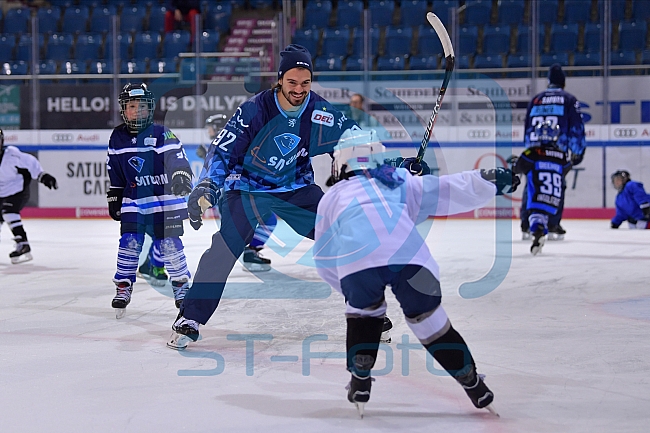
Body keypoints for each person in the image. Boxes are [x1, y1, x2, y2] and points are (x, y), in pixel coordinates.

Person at [167, 44, 412, 349]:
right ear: (280, 79)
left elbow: (359, 142)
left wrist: (398, 166)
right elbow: (222, 151)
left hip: (295, 188)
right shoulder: (254, 110)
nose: (299, 90)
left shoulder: (320, 111)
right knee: (225, 247)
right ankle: (190, 316)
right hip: (247, 189)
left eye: (306, 83)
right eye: (293, 82)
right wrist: (207, 186)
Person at [313, 129, 518, 417]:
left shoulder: (332, 197)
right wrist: (489, 181)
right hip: (412, 261)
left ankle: (360, 378)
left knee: (364, 314)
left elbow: (323, 256)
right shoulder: (399, 181)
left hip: (356, 265)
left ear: (341, 161)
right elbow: (447, 190)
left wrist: (351, 292)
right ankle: (472, 384)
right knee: (431, 324)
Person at [107, 83, 194, 319]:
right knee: (129, 241)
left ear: (150, 109)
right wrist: (114, 194)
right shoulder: (117, 137)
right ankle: (123, 286)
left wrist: (181, 175)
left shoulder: (161, 133)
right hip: (135, 199)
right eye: (132, 106)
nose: (137, 111)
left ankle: (181, 287)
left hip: (165, 200)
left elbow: (177, 158)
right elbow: (115, 169)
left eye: (142, 106)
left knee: (169, 245)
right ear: (124, 109)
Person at [199, 113, 277, 272]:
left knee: (253, 225)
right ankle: (243, 254)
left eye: (210, 128)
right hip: (236, 194)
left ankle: (238, 255)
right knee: (263, 222)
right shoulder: (232, 143)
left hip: (234, 193)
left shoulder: (224, 145)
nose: (209, 131)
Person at [520, 63, 585, 241]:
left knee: (532, 184)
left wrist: (528, 149)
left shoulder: (536, 99)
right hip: (557, 149)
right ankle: (552, 223)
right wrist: (578, 151)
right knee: (555, 183)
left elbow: (527, 127)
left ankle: (526, 224)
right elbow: (576, 128)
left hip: (534, 148)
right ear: (563, 83)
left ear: (548, 82)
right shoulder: (569, 99)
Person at [514, 120, 573, 255]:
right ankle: (552, 226)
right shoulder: (562, 155)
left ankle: (535, 230)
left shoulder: (533, 152)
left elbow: (519, 167)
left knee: (535, 215)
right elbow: (566, 168)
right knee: (546, 214)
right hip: (554, 198)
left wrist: (514, 164)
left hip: (537, 193)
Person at [0, 128, 58, 263]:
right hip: (1, 193)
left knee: (9, 212)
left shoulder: (12, 155)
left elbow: (30, 162)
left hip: (17, 190)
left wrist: (42, 176)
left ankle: (23, 244)